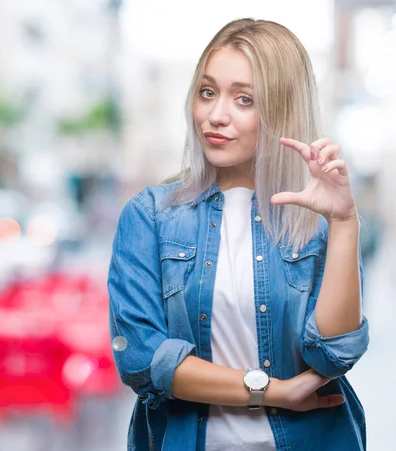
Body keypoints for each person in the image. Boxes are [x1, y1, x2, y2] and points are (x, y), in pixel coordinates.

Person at [108, 18, 370, 451]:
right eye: (207, 92)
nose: (215, 115)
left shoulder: (317, 220)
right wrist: (268, 390)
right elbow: (140, 358)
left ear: (280, 110)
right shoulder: (152, 216)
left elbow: (334, 355)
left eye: (244, 99)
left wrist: (343, 223)